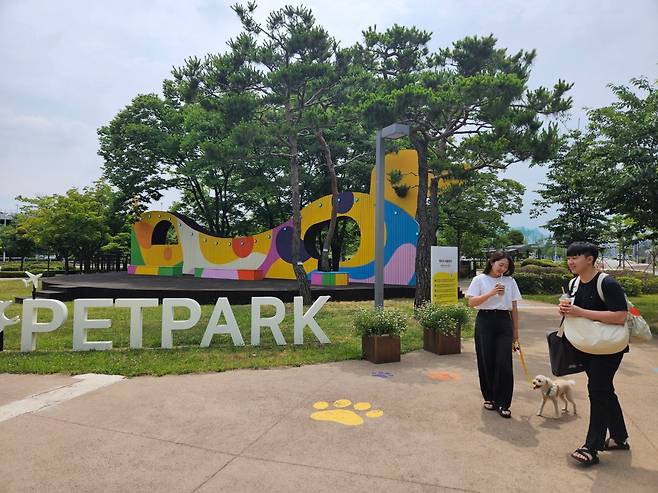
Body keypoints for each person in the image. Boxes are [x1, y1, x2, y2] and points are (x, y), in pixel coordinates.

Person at [559, 242, 629, 466]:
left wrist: (581, 312)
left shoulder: (607, 282)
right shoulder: (573, 283)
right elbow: (575, 312)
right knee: (605, 389)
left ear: (589, 259)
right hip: (587, 345)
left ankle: (592, 447)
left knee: (597, 390)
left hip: (609, 347)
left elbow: (620, 316)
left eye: (575, 257)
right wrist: (566, 310)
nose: (570, 262)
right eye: (569, 258)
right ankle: (619, 437)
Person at [466, 251, 522, 419]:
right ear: (492, 262)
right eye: (500, 265)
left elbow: (514, 307)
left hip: (504, 321)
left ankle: (503, 402)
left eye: (506, 266)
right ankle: (489, 397)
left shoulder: (510, 281)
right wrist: (491, 293)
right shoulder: (479, 280)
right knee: (486, 359)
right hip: (485, 320)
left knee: (504, 362)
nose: (503, 269)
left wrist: (516, 330)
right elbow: (471, 303)